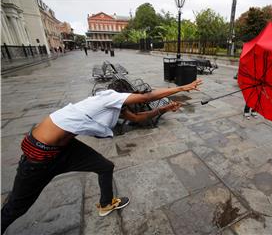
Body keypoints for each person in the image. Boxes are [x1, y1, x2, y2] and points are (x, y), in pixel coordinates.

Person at [1, 79, 203, 234]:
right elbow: (145, 98)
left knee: (105, 166)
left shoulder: (117, 107)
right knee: (16, 208)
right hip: (40, 154)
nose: (135, 101)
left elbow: (139, 118)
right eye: (133, 96)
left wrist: (166, 108)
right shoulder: (109, 97)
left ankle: (106, 204)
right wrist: (182, 88)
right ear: (126, 93)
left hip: (66, 149)